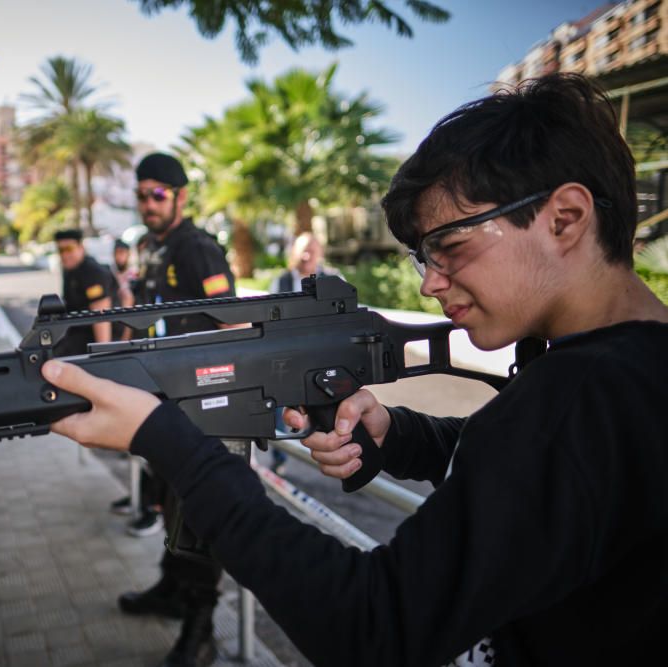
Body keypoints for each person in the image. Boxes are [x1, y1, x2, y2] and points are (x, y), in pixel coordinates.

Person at [39, 74, 668, 666]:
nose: (430, 285)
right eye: (423, 258)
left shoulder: (579, 398)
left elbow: (370, 624)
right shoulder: (620, 375)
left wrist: (169, 442)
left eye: (448, 247)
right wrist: (401, 435)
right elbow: (536, 481)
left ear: (564, 219)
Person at [109, 152, 237, 667]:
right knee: (168, 501)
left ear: (182, 197)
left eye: (157, 194)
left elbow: (231, 325)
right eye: (141, 195)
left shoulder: (198, 248)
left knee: (199, 514)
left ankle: (201, 628)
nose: (148, 203)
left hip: (200, 408)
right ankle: (169, 589)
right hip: (161, 402)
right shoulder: (153, 249)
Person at [267, 231, 338, 474]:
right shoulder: (282, 281)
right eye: (302, 250)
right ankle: (280, 458)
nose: (307, 255)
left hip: (323, 356)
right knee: (280, 407)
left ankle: (343, 455)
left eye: (312, 249)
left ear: (320, 252)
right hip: (288, 357)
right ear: (293, 253)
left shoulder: (334, 279)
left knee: (335, 407)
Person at [52, 228, 118, 356]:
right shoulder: (70, 270)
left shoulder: (92, 273)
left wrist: (102, 355)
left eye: (69, 249)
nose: (64, 255)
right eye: (60, 250)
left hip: (95, 340)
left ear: (81, 247)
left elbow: (101, 318)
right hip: (76, 333)